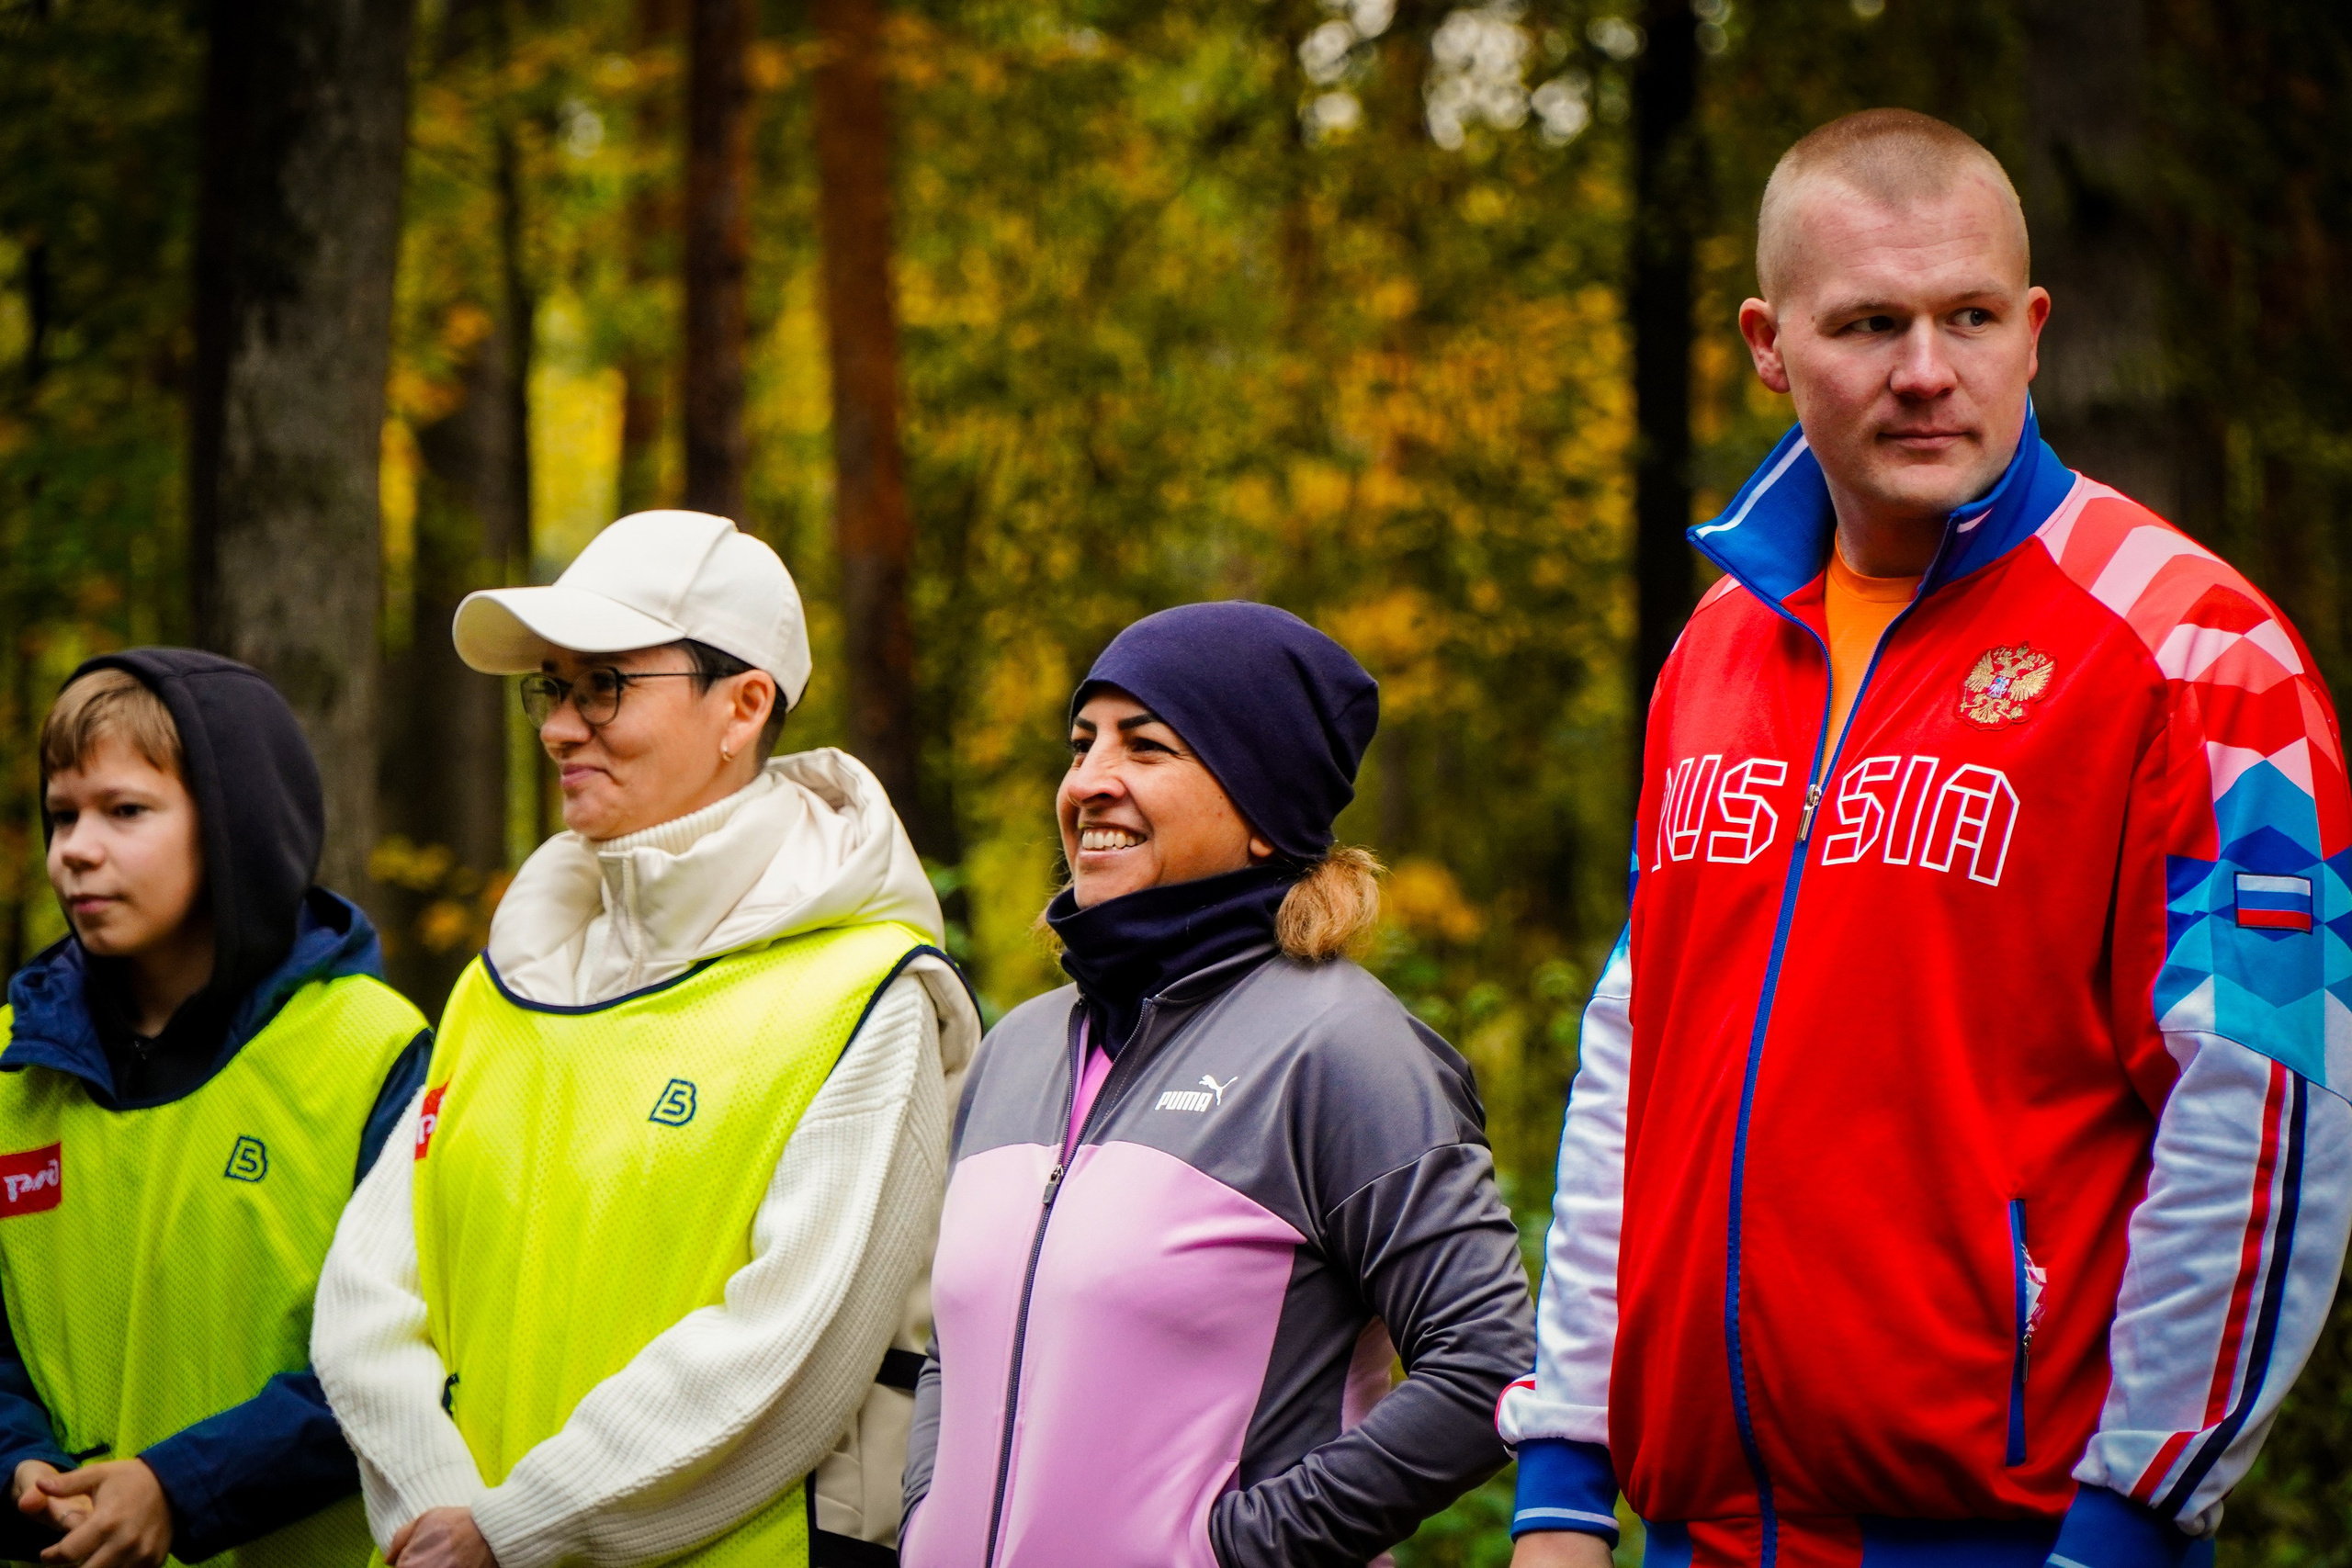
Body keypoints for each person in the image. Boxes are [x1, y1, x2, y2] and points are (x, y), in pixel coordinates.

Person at [1500, 108, 2352, 1568]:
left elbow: (2270, 1104)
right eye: (1869, 323)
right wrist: (1569, 1468)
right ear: (1771, 344)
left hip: (2011, 1532)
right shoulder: (1716, 647)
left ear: (2031, 327)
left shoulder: (2195, 647)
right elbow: (1638, 1056)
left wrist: (2134, 1514)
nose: (1924, 372)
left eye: (1967, 317)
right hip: (1697, 1530)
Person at [311, 510, 980, 1568]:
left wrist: (515, 1529)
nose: (558, 727)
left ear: (744, 705)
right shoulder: (509, 981)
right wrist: (448, 1518)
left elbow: (793, 1352)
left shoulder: (868, 995)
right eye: (553, 688)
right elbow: (366, 1294)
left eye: (605, 686)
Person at [900, 601, 1535, 1568]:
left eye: (1145, 747)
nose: (1087, 783)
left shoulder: (1342, 1048)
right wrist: (927, 1517)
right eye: (1081, 745)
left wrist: (1236, 1550)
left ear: (1261, 812)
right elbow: (962, 1345)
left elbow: (1486, 1367)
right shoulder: (1019, 1048)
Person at [0, 651, 432, 1568]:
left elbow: (410, 1356)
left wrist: (177, 1487)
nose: (76, 848)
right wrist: (19, 1467)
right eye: (62, 814)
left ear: (233, 829)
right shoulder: (8, 1063)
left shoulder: (375, 1053)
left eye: (125, 811)